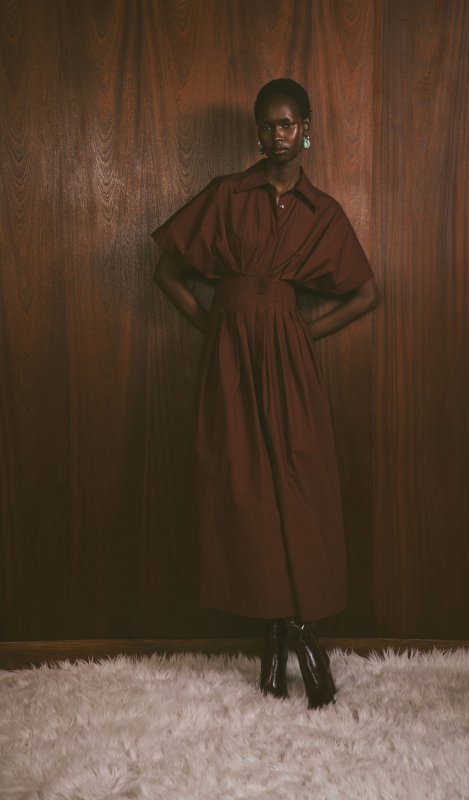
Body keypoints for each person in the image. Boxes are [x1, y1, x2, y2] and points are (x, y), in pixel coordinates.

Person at [151, 78, 379, 709]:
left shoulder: (322, 211)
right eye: (267, 125)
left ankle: (295, 634)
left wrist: (303, 331)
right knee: (245, 493)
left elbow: (366, 294)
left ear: (306, 129)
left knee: (298, 485)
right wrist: (213, 325)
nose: (277, 135)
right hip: (228, 358)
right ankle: (279, 641)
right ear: (257, 132)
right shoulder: (227, 194)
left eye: (287, 124)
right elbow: (166, 272)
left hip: (287, 358)